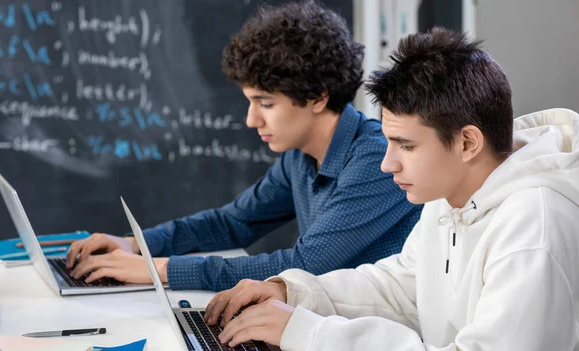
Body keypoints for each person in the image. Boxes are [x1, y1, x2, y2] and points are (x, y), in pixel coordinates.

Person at [204, 27, 579, 351]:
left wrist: (311, 332)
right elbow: (401, 287)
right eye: (388, 142)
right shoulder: (449, 195)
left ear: (467, 142)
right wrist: (292, 292)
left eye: (406, 145)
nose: (388, 164)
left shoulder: (535, 228)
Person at [65, 1, 421, 292]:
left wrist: (158, 269)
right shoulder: (300, 156)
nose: (252, 120)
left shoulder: (377, 159)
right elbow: (233, 223)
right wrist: (136, 245)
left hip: (375, 345)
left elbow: (303, 266)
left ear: (317, 97)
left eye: (265, 104)